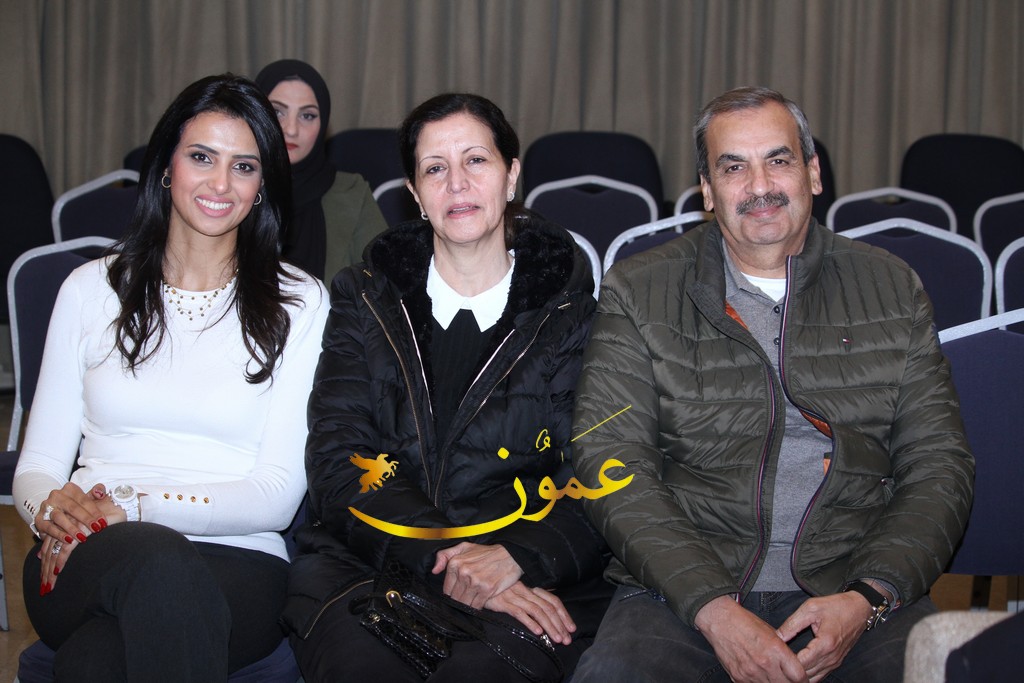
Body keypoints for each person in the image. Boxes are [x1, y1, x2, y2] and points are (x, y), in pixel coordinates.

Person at [570, 86, 975, 683]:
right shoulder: (639, 291)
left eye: (778, 160)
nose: (759, 186)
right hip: (682, 589)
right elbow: (611, 461)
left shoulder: (890, 287)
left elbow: (939, 464)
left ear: (813, 173)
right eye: (733, 167)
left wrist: (868, 596)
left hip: (851, 582)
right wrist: (712, 608)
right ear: (708, 191)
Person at [282, 92, 612, 682]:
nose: (457, 183)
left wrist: (516, 558)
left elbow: (598, 472)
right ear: (414, 192)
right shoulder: (364, 299)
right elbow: (339, 459)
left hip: (521, 576)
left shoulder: (573, 315)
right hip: (370, 567)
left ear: (511, 175)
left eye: (476, 160)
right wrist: (448, 557)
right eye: (435, 168)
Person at [13, 73, 330, 681]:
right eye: (202, 157)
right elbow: (39, 466)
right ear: (166, 167)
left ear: (263, 185)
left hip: (238, 559)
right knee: (153, 566)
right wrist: (52, 513)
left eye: (244, 167)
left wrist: (136, 507)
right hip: (87, 549)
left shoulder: (301, 303)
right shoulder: (89, 290)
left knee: (94, 659)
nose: (220, 183)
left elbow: (276, 494)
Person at [255, 59, 388, 282]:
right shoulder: (231, 188)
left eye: (307, 115)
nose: (291, 129)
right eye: (277, 112)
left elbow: (386, 283)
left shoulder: (352, 193)